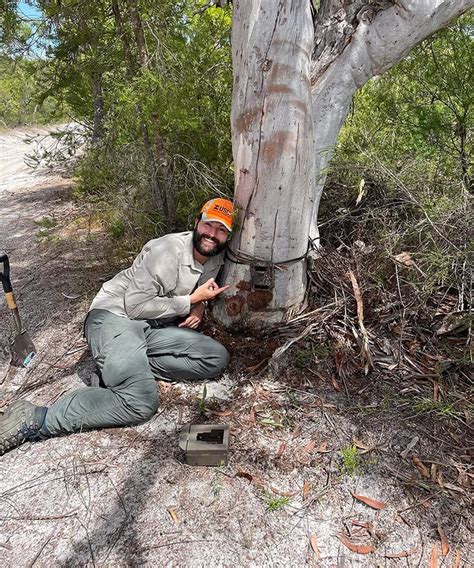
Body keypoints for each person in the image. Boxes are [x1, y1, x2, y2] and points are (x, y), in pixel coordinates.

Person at [0, 198, 234, 455]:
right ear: (197, 222)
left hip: (151, 327)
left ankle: (121, 367)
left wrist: (200, 306)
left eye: (221, 229)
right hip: (115, 317)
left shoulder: (216, 256)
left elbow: (206, 286)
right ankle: (37, 418)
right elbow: (135, 306)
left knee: (216, 358)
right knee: (140, 402)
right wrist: (191, 300)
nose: (213, 234)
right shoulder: (165, 250)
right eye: (209, 224)